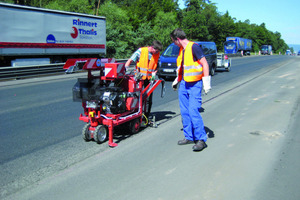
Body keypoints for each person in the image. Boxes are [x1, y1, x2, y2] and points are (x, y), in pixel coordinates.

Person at [170, 28, 211, 152]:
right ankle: (189, 137)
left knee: (193, 111)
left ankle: (201, 140)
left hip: (195, 84)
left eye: (173, 41)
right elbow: (183, 67)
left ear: (177, 39)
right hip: (184, 84)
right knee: (184, 112)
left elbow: (205, 64)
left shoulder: (194, 47)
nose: (174, 44)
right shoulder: (182, 50)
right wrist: (177, 80)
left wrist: (206, 83)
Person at [125, 40, 163, 118]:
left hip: (149, 79)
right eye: (156, 51)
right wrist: (126, 70)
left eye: (158, 51)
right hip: (139, 78)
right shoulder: (141, 51)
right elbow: (130, 61)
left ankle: (146, 116)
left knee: (148, 98)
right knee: (136, 96)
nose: (156, 53)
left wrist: (154, 73)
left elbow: (157, 66)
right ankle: (136, 114)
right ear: (152, 47)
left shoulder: (157, 54)